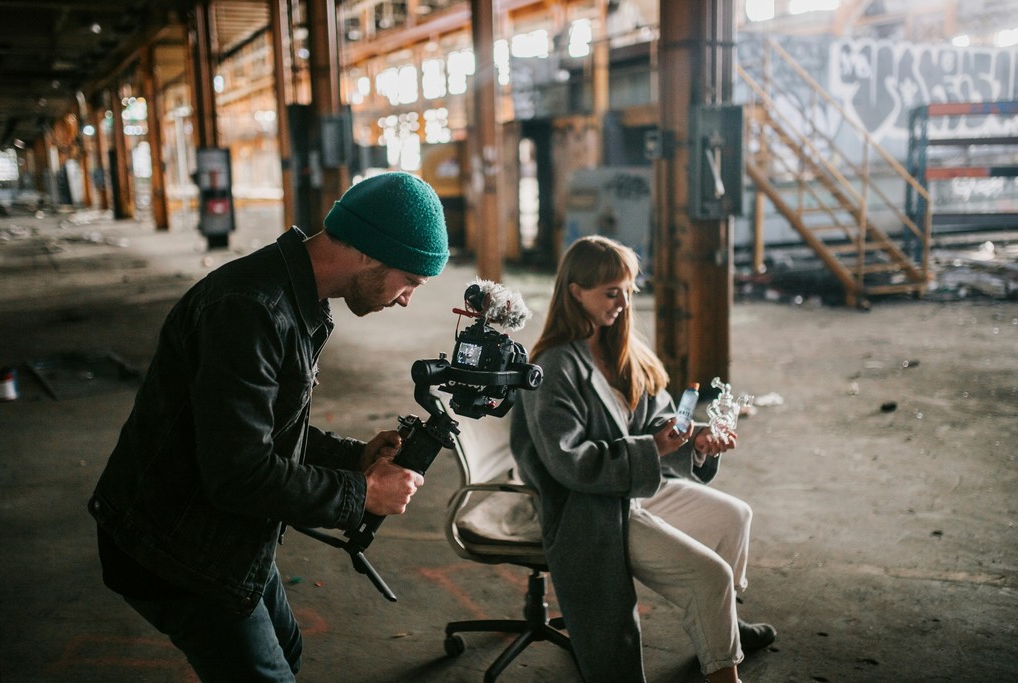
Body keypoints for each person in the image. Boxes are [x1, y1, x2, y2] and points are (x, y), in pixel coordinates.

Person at [88, 172, 450, 682]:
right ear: (370, 253)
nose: (408, 297)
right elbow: (238, 473)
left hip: (221, 532)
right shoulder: (249, 310)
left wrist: (353, 458)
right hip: (171, 544)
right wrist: (360, 494)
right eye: (411, 281)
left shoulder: (295, 296)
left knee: (288, 651)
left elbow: (261, 428)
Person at [510, 235, 775, 683]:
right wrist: (653, 449)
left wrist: (696, 441)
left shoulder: (623, 351)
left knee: (736, 515)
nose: (624, 302)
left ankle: (725, 623)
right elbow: (568, 463)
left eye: (629, 290)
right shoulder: (554, 366)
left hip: (630, 488)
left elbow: (658, 417)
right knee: (710, 577)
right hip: (587, 506)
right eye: (611, 292)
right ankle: (724, 669)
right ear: (575, 292)